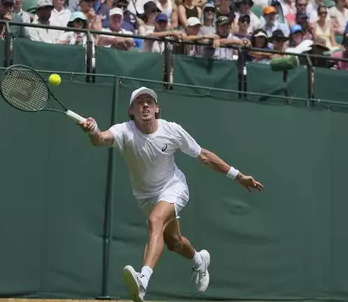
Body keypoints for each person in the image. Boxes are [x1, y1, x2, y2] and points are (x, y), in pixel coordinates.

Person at [78, 87, 264, 302]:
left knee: (155, 220)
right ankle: (199, 261)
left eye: (150, 101)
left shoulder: (172, 130)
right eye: (139, 102)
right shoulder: (124, 131)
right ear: (131, 111)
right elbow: (100, 139)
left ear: (157, 109)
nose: (145, 105)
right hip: (145, 197)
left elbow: (203, 155)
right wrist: (93, 131)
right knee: (174, 242)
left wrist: (238, 176)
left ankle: (143, 280)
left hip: (173, 186)